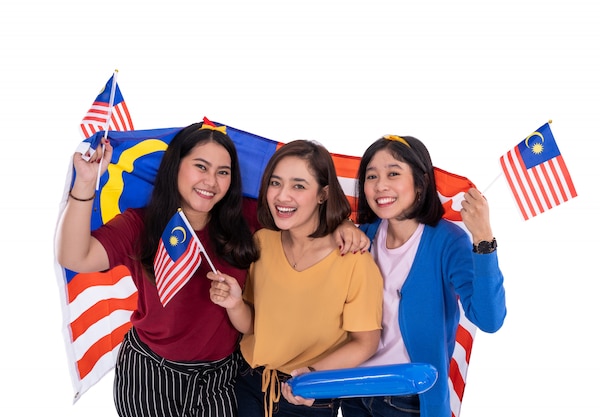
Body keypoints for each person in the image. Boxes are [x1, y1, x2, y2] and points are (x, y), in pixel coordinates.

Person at [56, 121, 369, 417]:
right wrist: (84, 183)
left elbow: (301, 213)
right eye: (200, 167)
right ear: (176, 167)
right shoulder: (141, 224)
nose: (211, 181)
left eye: (223, 172)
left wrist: (340, 222)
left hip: (221, 378)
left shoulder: (248, 219)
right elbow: (75, 257)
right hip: (150, 371)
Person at [209, 140, 384, 417]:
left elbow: (365, 342)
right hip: (248, 383)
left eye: (298, 186)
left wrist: (312, 376)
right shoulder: (262, 242)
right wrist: (233, 303)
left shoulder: (355, 261)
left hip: (307, 397)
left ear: (322, 195)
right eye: (276, 183)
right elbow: (253, 325)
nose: (282, 196)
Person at [340, 135, 507, 417]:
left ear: (420, 183)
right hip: (356, 392)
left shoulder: (447, 241)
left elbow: (489, 319)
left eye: (393, 173)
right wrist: (339, 227)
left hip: (409, 401)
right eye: (371, 176)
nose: (380, 185)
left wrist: (483, 238)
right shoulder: (363, 235)